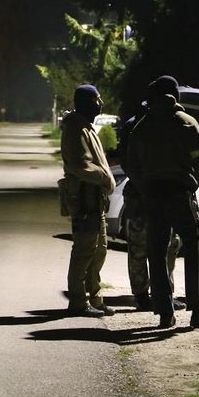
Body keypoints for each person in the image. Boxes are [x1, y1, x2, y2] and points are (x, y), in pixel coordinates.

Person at [125, 75, 199, 329]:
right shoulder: (186, 123)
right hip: (180, 195)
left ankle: (164, 312)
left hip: (152, 197)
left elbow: (130, 164)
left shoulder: (142, 126)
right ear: (175, 96)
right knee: (195, 246)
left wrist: (144, 186)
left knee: (156, 253)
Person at [119, 102, 184, 313]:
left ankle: (148, 294)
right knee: (161, 246)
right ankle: (153, 295)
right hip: (146, 194)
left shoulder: (136, 125)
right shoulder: (144, 126)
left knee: (148, 246)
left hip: (142, 194)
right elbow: (128, 163)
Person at [60, 84, 117, 317]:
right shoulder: (75, 129)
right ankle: (77, 301)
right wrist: (105, 178)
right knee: (84, 250)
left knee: (99, 249)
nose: (100, 103)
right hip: (84, 198)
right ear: (85, 102)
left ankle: (94, 296)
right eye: (96, 99)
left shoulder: (86, 127)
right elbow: (80, 165)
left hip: (95, 198)